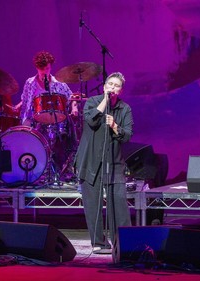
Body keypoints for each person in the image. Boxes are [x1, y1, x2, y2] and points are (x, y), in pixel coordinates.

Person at [75, 72, 133, 254]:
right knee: (93, 204)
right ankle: (99, 242)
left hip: (114, 162)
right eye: (110, 84)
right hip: (90, 160)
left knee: (119, 203)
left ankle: (123, 242)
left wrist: (115, 126)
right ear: (104, 87)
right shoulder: (93, 102)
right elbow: (91, 120)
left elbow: (128, 135)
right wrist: (104, 103)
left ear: (121, 90)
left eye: (116, 86)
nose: (112, 88)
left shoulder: (125, 109)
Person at [15, 51, 73, 178]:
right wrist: (17, 107)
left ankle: (56, 169)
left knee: (61, 138)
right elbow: (25, 100)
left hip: (55, 118)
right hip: (33, 117)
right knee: (24, 135)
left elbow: (71, 97)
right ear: (36, 67)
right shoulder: (30, 82)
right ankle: (30, 168)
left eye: (46, 68)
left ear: (50, 67)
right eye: (41, 68)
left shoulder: (59, 83)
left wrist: (74, 108)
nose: (44, 71)